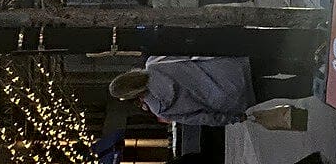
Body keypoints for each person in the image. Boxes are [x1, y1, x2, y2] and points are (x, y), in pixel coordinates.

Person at [109, 56, 313, 127]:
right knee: (279, 64)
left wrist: (234, 118)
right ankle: (319, 64)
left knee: (281, 90)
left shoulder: (160, 109)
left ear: (131, 95)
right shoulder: (155, 63)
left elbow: (202, 118)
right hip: (230, 69)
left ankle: (319, 85)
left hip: (232, 98)